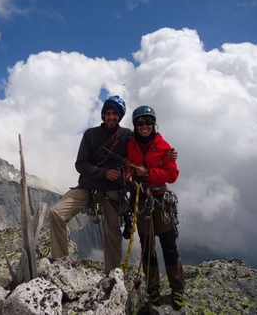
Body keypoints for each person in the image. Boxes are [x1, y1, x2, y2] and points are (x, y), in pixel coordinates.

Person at [49, 95, 131, 275]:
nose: (111, 117)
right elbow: (81, 164)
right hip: (88, 188)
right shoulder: (90, 134)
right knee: (56, 213)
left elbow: (145, 147)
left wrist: (168, 154)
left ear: (120, 116)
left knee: (113, 235)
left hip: (112, 191)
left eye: (115, 114)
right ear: (103, 115)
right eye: (108, 113)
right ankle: (61, 261)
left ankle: (112, 275)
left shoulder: (127, 136)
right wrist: (104, 173)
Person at [126, 105, 185, 310]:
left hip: (159, 203)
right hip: (141, 203)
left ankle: (177, 289)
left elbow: (172, 175)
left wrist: (147, 172)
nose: (144, 126)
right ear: (135, 125)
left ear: (154, 124)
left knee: (169, 247)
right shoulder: (130, 144)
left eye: (148, 122)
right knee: (148, 250)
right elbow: (126, 165)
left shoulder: (164, 147)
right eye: (140, 123)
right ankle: (153, 291)